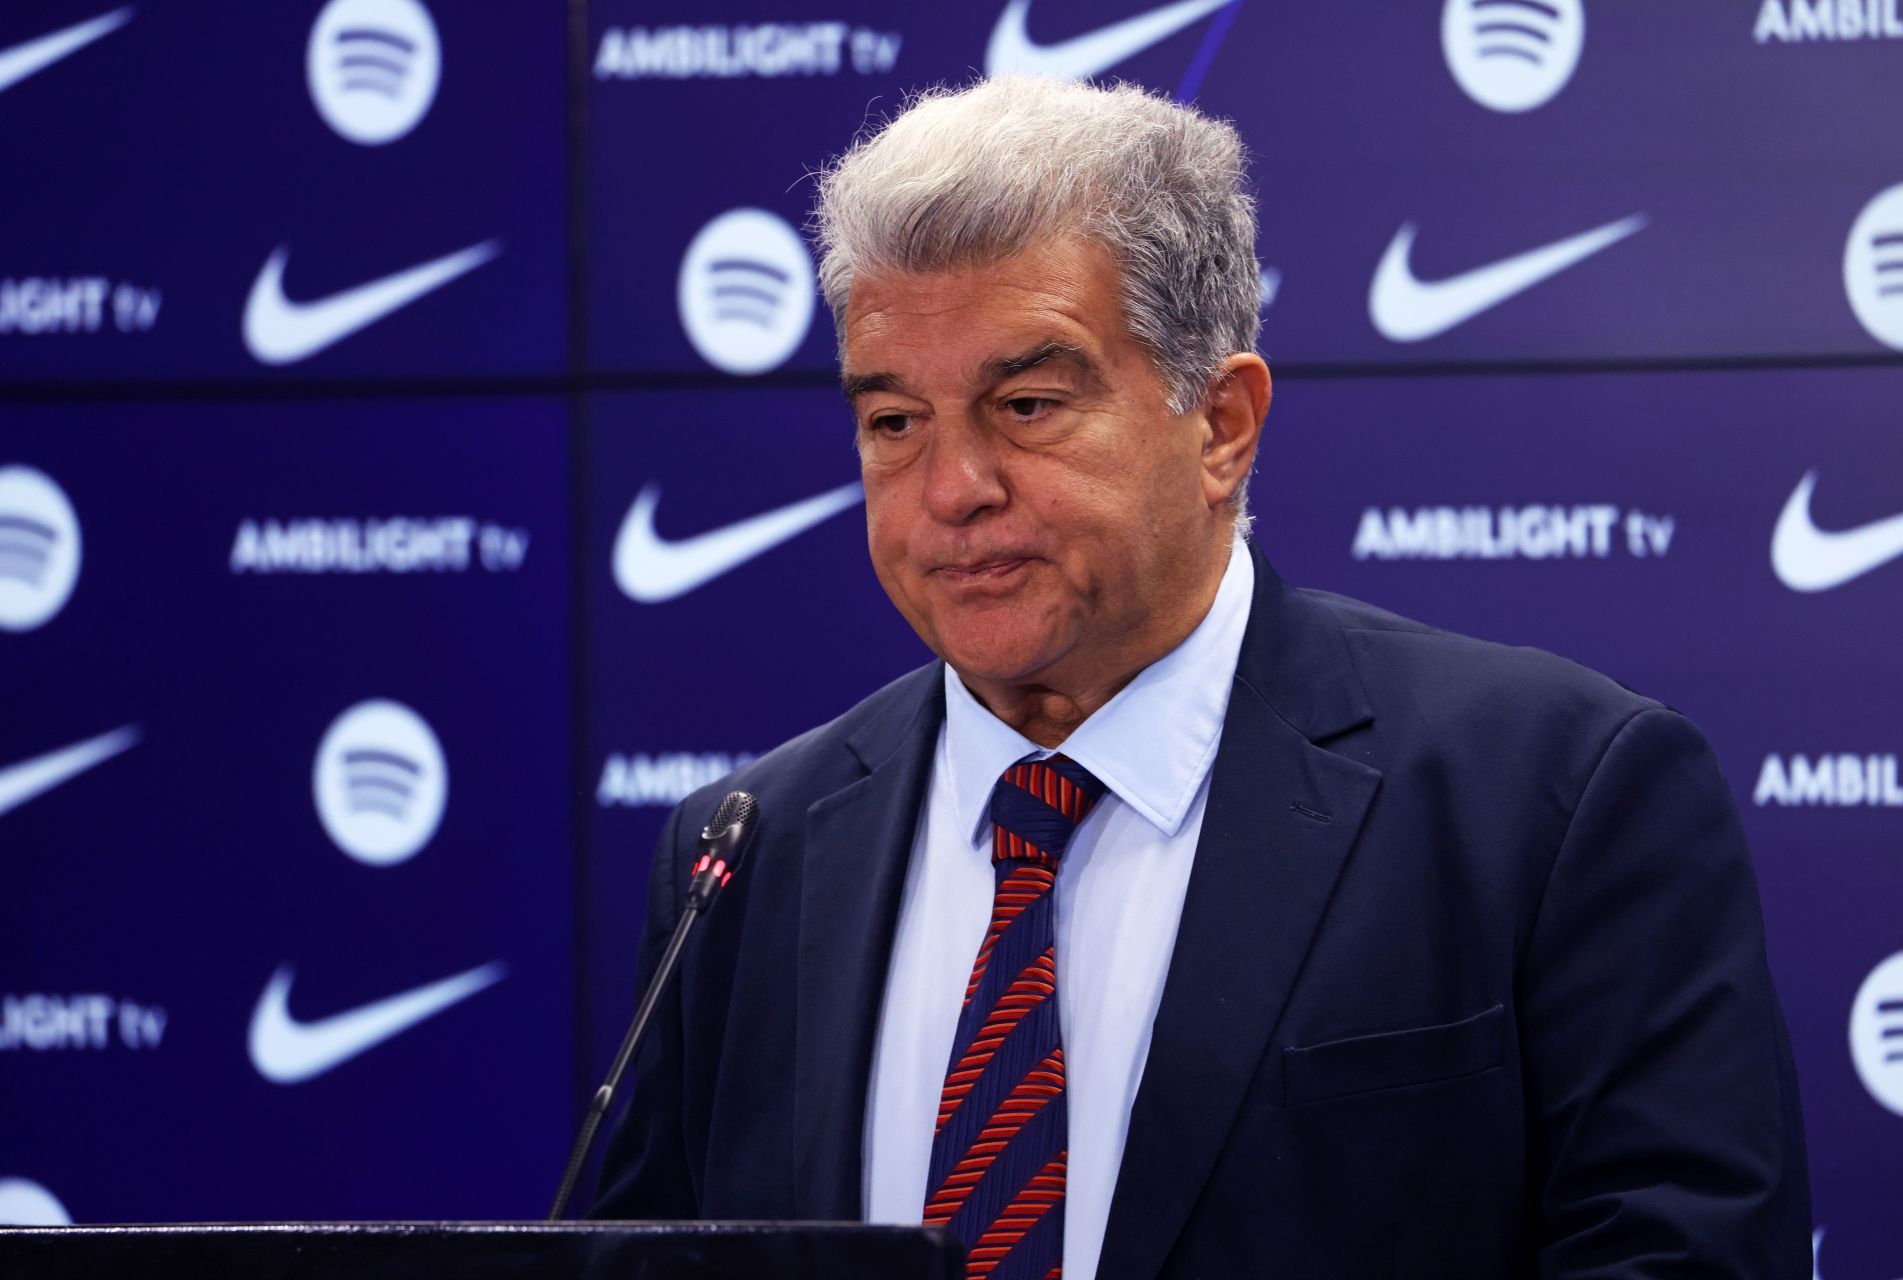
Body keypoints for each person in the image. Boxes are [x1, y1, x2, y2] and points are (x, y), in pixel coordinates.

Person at [593, 76, 1811, 1278]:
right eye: (894, 421)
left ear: (1221, 423)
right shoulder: (747, 852)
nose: (951, 487)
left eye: (1025, 403)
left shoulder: (1550, 798)